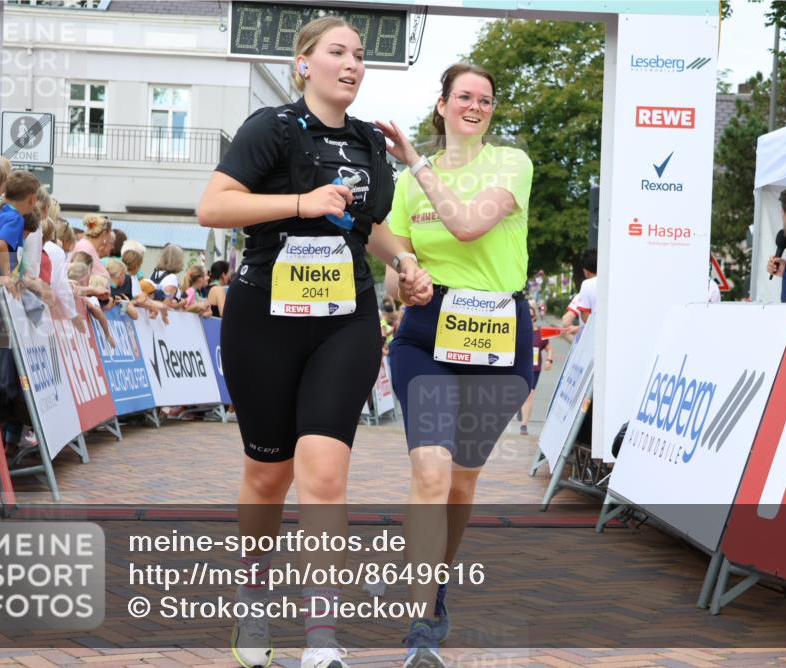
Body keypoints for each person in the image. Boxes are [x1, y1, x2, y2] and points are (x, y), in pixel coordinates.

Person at [196, 16, 430, 668]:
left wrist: (405, 266)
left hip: (344, 320)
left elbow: (367, 228)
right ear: (305, 63)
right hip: (263, 319)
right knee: (267, 478)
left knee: (324, 476)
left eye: (359, 55)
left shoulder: (368, 143)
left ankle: (321, 636)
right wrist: (299, 203)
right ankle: (252, 596)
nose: (352, 63)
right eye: (338, 52)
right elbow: (212, 207)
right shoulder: (271, 127)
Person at [378, 62, 534, 667]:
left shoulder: (511, 162)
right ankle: (422, 628)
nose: (475, 106)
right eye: (464, 96)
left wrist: (416, 160)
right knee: (430, 474)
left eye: (486, 100)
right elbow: (398, 266)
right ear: (442, 104)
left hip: (498, 331)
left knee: (462, 481)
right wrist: (405, 282)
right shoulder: (408, 184)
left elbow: (469, 228)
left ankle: (434, 585)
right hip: (426, 335)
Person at [0, 171, 40, 276]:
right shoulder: (16, 218)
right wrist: (7, 275)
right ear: (32, 199)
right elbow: (0, 245)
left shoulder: (2, 210)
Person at [519, 302, 552, 436]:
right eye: (527, 316)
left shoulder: (540, 333)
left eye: (531, 317)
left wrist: (549, 360)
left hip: (534, 369)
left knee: (528, 397)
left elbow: (549, 348)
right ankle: (520, 408)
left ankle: (523, 425)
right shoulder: (518, 331)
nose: (529, 319)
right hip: (519, 368)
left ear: (534, 318)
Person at [561, 249, 597, 337]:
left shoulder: (586, 287)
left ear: (585, 271)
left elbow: (566, 321)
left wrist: (578, 328)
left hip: (589, 342)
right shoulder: (613, 285)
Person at [72, 214, 113, 280]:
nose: (110, 237)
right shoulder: (85, 249)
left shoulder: (88, 247)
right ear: (104, 233)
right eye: (110, 232)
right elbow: (77, 279)